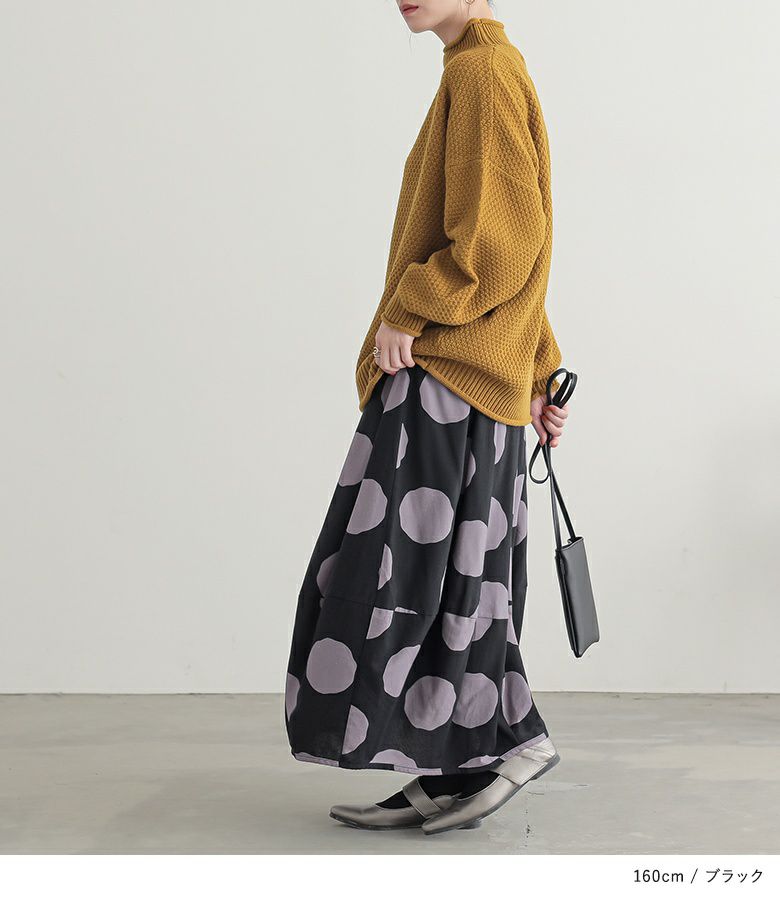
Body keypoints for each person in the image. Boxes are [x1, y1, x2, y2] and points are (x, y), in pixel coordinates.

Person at [284, 0, 570, 835]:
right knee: (448, 588)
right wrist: (540, 370)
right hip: (471, 383)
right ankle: (451, 768)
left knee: (396, 583)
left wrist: (410, 308)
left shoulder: (482, 72)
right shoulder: (481, 69)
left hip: (443, 380)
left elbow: (501, 247)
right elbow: (519, 245)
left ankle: (513, 739)